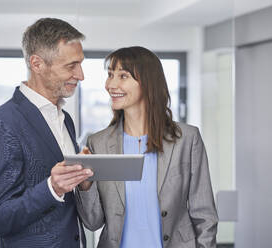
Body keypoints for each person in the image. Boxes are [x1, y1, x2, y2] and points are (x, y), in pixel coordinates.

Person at [76, 46, 218, 248]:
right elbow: (93, 222)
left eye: (123, 76)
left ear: (148, 83)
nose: (110, 84)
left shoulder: (187, 139)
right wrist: (85, 186)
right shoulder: (97, 143)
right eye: (110, 75)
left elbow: (205, 216)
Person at [0, 18, 93, 248]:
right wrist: (52, 187)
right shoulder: (1, 123)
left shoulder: (65, 119)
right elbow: (0, 218)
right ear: (37, 63)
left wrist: (81, 181)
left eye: (80, 64)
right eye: (71, 66)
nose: (81, 75)